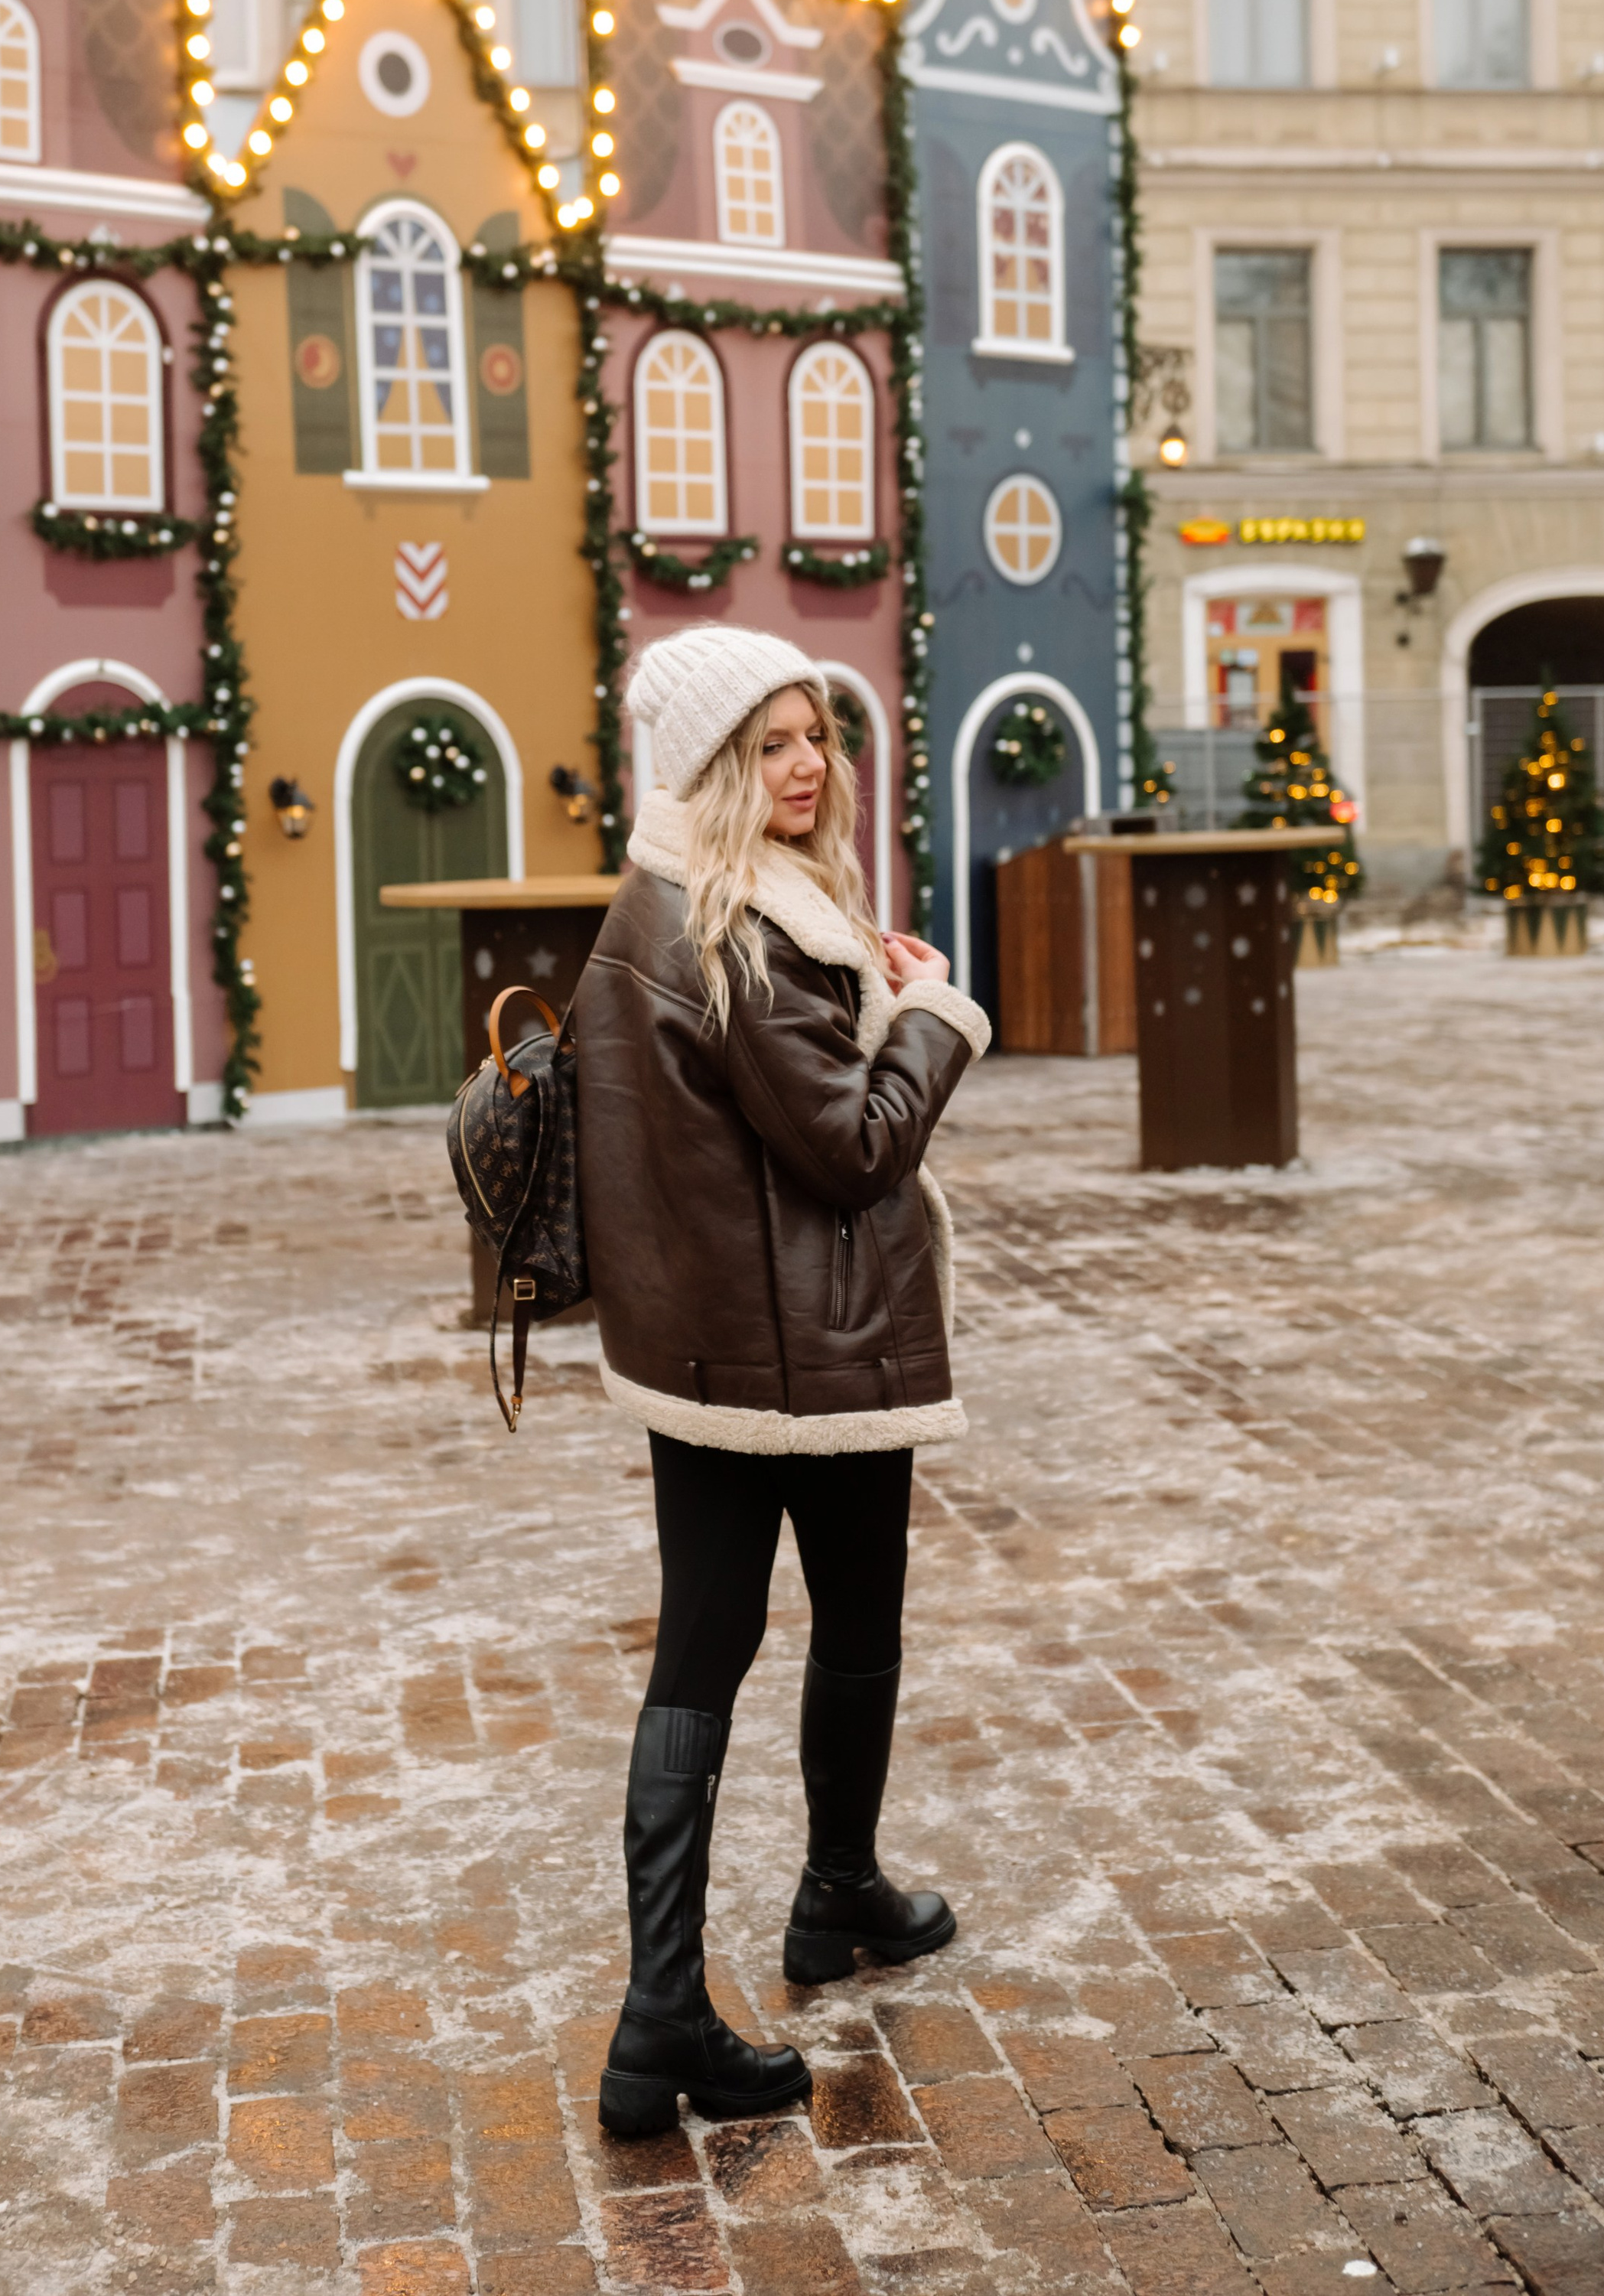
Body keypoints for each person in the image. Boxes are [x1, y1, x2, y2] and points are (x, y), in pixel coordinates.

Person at [577, 624, 991, 2140]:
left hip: (712, 1342)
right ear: (712, 765)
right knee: (836, 1621)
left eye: (817, 733)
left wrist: (857, 983)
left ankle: (800, 1917)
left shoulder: (671, 903)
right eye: (774, 741)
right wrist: (933, 1014)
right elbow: (854, 1142)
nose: (809, 762)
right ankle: (715, 1971)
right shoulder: (743, 926)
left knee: (711, 1641)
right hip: (806, 1347)